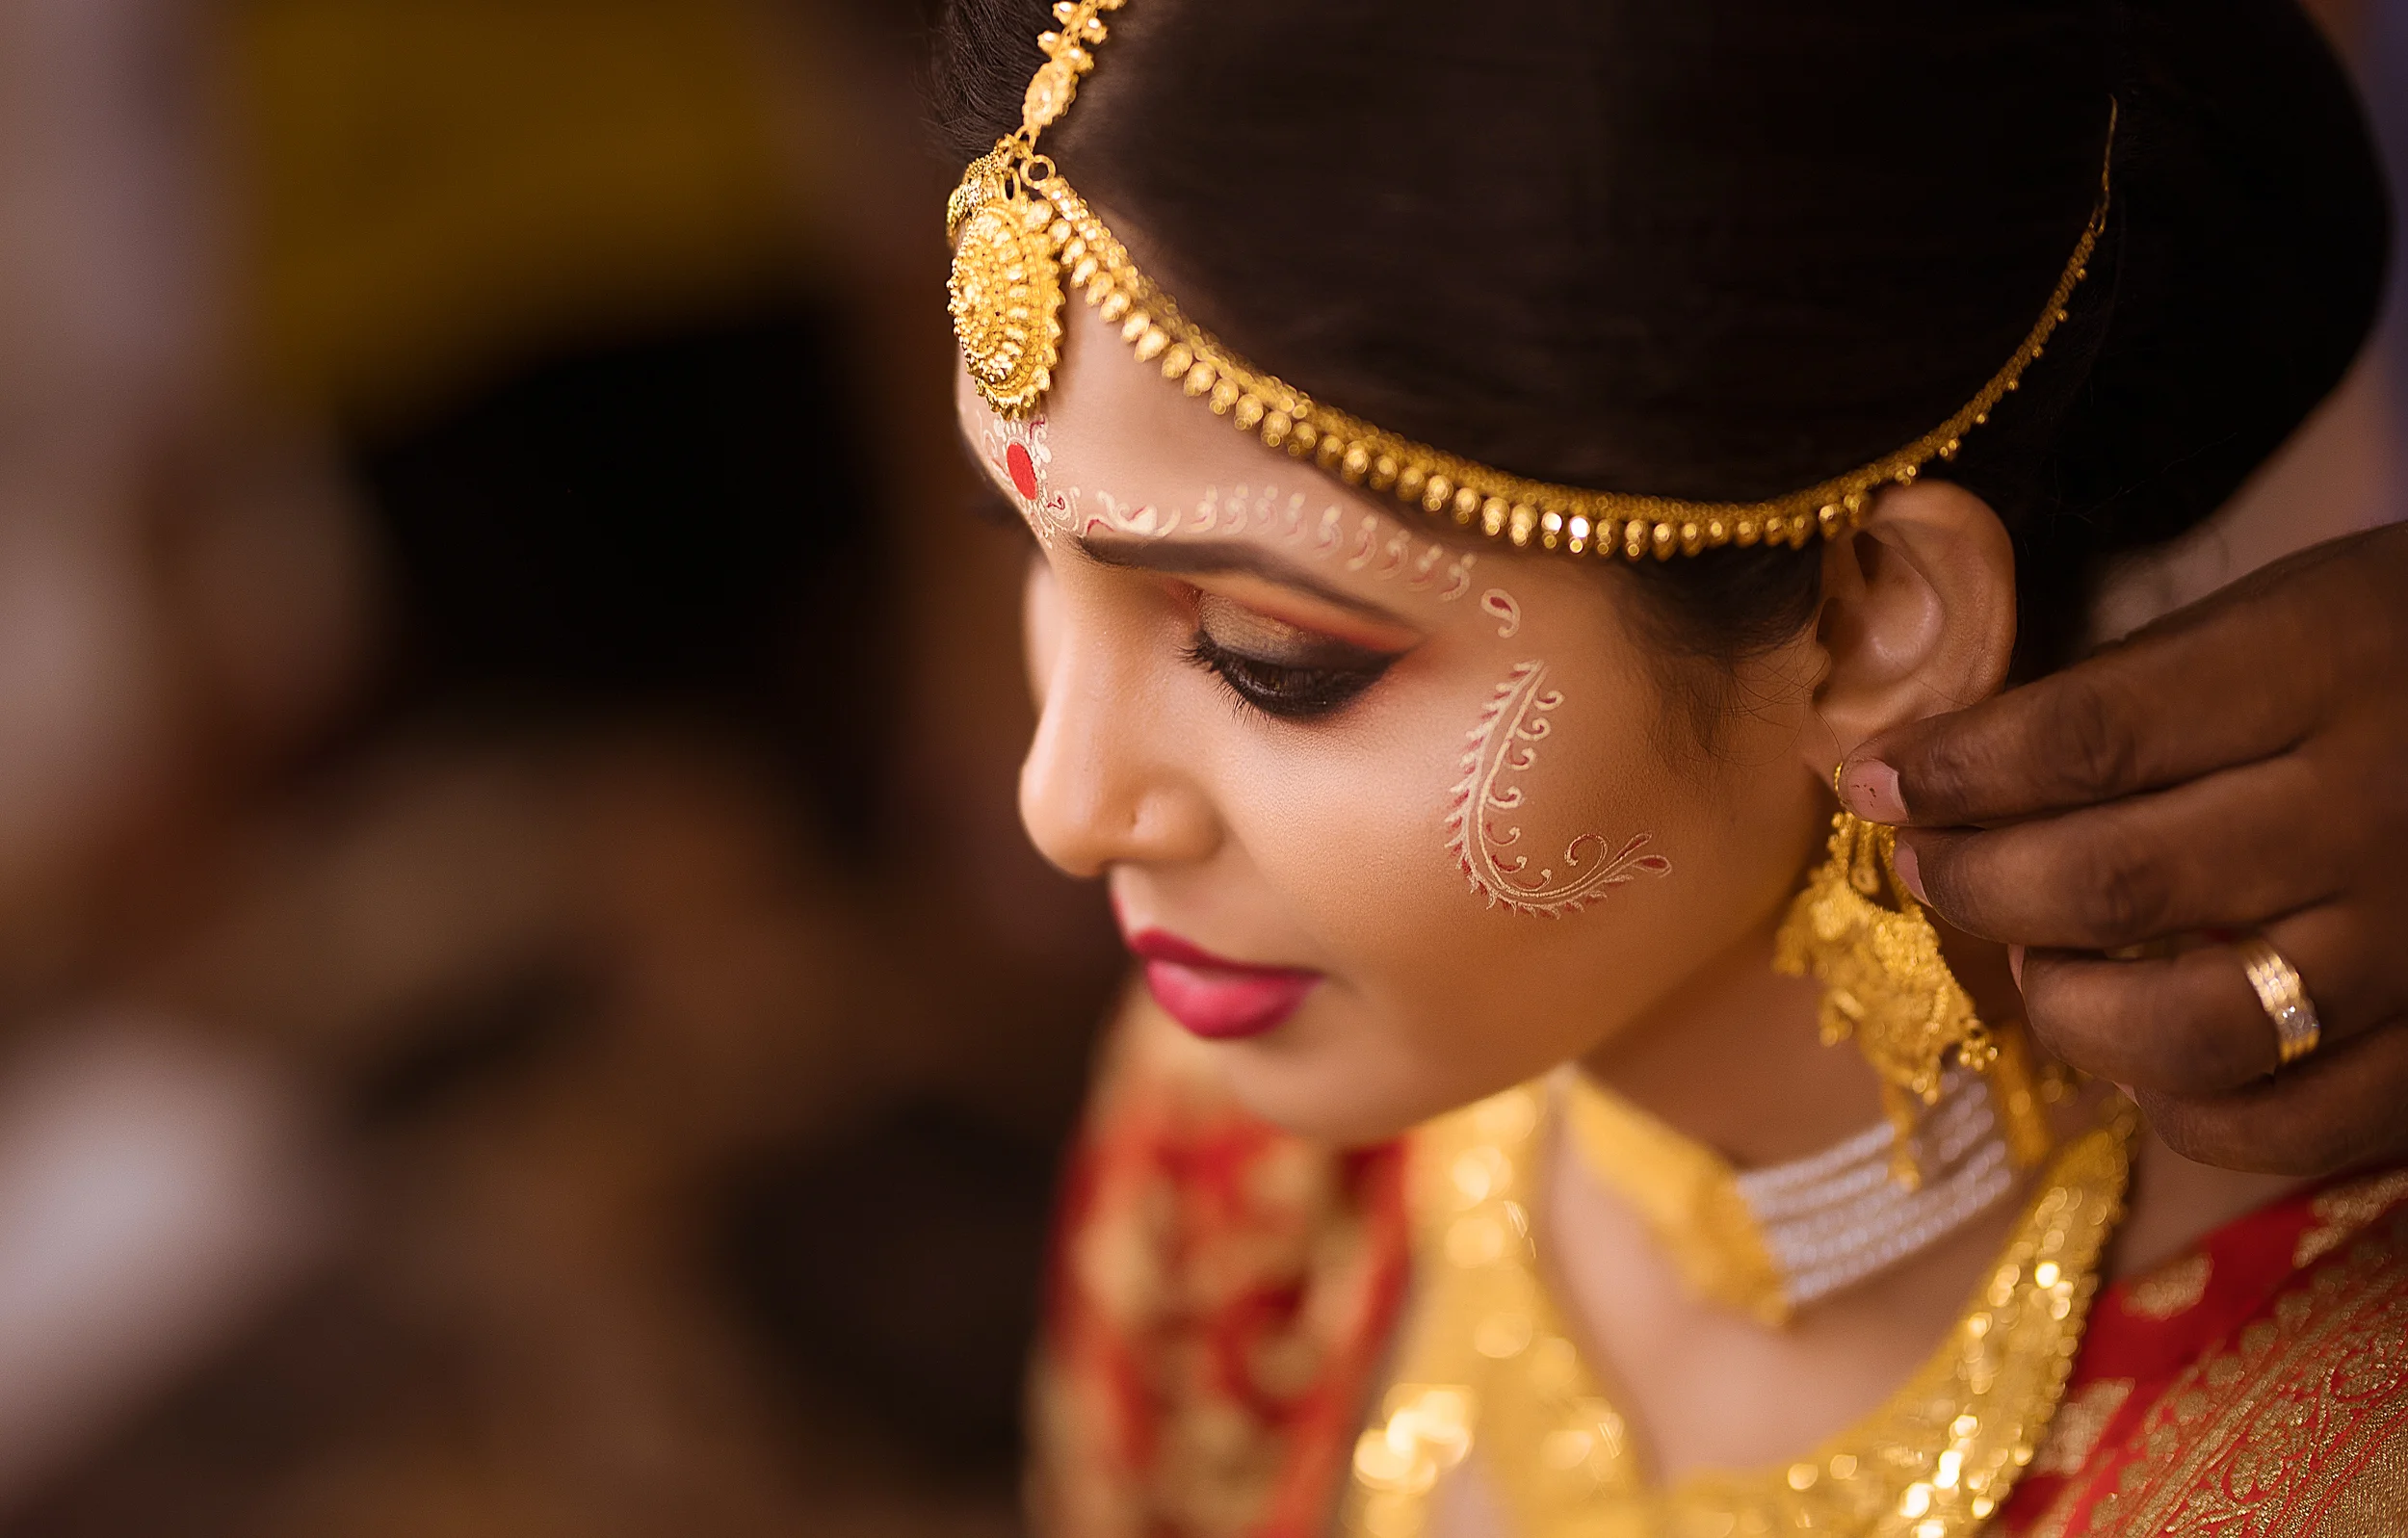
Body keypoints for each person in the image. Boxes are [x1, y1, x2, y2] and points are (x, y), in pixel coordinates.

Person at [930, 0, 2404, 1533]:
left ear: (1866, 623)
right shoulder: (1247, 1142)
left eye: (1269, 660)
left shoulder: (2319, 1464)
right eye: (1030, 556)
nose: (1066, 804)